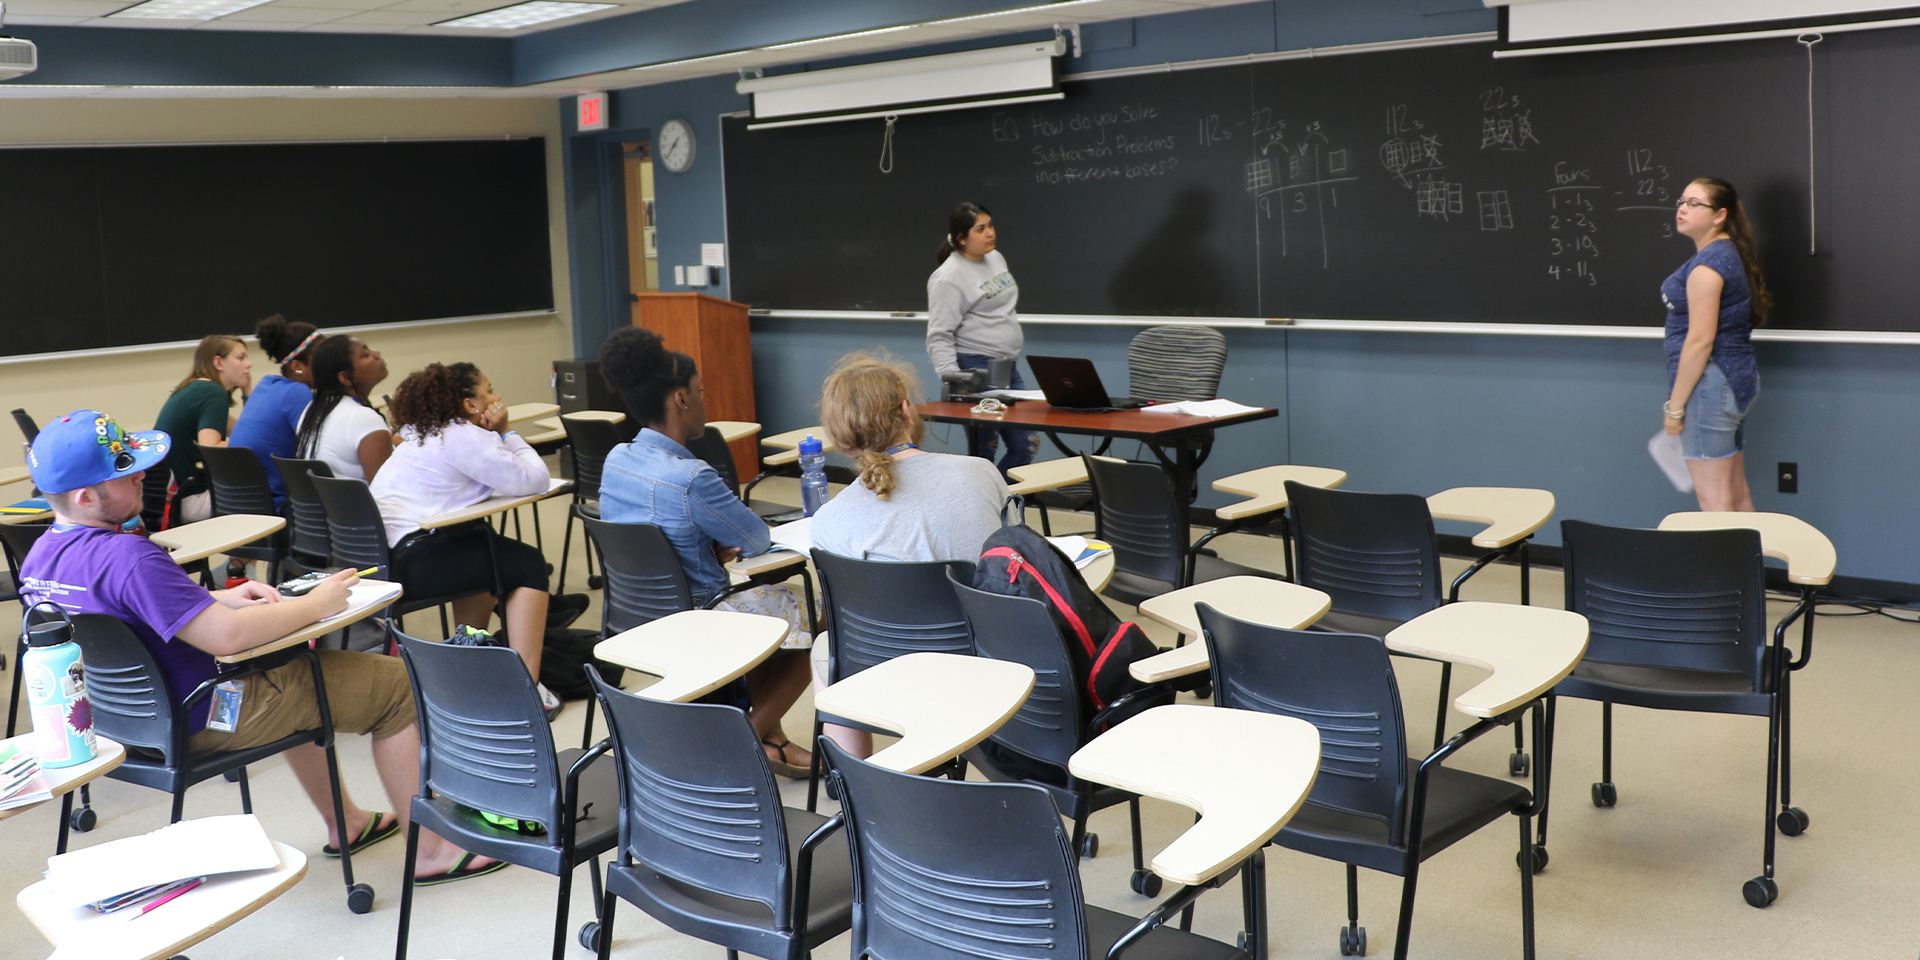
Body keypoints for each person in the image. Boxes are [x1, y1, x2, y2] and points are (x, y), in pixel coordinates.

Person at [18, 410, 501, 885]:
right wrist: (316, 603)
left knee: (292, 668)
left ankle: (346, 822)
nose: (141, 475)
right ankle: (432, 851)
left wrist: (214, 597)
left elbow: (128, 609)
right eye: (123, 473)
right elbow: (229, 638)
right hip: (212, 712)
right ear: (85, 496)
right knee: (397, 687)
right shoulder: (130, 555)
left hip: (126, 723)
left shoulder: (42, 558)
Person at [596, 327, 815, 777]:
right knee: (817, 607)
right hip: (699, 616)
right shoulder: (691, 476)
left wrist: (703, 547)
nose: (705, 400)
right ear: (680, 399)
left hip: (636, 614)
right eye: (700, 392)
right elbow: (755, 539)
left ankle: (773, 740)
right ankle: (751, 735)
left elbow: (647, 538)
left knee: (772, 596)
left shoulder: (616, 457)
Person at [809, 350, 1009, 758]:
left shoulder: (829, 520)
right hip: (988, 659)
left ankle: (853, 774)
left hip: (889, 669)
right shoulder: (980, 472)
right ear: (906, 410)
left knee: (825, 645)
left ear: (838, 431)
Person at [370, 362, 580, 717]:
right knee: (526, 565)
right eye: (490, 390)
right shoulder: (464, 436)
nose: (497, 397)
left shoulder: (421, 433)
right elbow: (536, 479)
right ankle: (527, 690)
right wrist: (507, 432)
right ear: (469, 404)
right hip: (416, 564)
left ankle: (470, 662)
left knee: (482, 549)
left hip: (388, 561)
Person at [1661, 177, 1770, 512]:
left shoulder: (1708, 266)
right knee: (1736, 493)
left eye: (1694, 203)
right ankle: (1753, 566)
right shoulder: (1727, 253)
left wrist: (1674, 409)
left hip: (1709, 386)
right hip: (1733, 382)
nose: (1682, 209)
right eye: (1681, 201)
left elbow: (1700, 341)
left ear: (1719, 215)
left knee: (1714, 501)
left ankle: (1728, 566)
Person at [925, 201, 1040, 479]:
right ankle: (985, 512)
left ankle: (997, 505)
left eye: (990, 225)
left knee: (1027, 444)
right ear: (962, 238)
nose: (990, 233)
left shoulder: (995, 257)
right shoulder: (947, 278)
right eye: (981, 229)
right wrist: (955, 381)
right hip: (975, 370)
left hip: (1006, 367)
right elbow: (939, 335)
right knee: (985, 451)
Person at [153, 335, 252, 523]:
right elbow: (210, 448)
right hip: (189, 499)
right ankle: (242, 554)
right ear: (218, 363)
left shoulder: (195, 388)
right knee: (266, 494)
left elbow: (245, 430)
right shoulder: (213, 393)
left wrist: (247, 392)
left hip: (169, 499)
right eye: (241, 358)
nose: (249, 364)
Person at [229, 315, 320, 511]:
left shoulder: (267, 383)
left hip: (247, 503)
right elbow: (318, 451)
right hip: (277, 506)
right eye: (322, 357)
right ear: (297, 367)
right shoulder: (297, 392)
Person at [294, 335, 391, 482]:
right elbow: (389, 490)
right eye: (366, 355)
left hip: (333, 504)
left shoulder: (312, 410)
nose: (376, 354)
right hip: (365, 504)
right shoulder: (363, 418)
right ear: (345, 377)